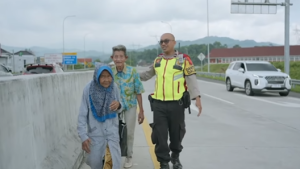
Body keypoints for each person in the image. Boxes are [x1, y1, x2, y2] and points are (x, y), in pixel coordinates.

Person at [139, 33, 203, 169]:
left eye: (166, 41)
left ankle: (175, 156)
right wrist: (129, 74)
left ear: (174, 42)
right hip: (159, 105)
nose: (163, 44)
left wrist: (196, 98)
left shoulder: (184, 60)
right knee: (160, 135)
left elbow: (191, 79)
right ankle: (163, 162)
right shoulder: (158, 61)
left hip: (177, 105)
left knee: (177, 133)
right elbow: (145, 75)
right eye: (161, 41)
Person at [77, 63, 123, 169]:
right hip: (95, 136)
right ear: (97, 76)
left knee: (113, 164)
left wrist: (119, 105)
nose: (106, 80)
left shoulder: (114, 87)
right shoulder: (88, 89)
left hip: (112, 135)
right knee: (96, 164)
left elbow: (120, 107)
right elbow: (82, 114)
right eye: (102, 76)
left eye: (108, 76)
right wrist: (83, 136)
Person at [109, 44, 145, 168]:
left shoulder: (132, 71)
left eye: (121, 56)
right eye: (116, 56)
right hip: (115, 107)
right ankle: (115, 155)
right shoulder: (110, 72)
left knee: (129, 132)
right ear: (112, 58)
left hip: (130, 105)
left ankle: (129, 156)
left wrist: (141, 111)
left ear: (125, 58)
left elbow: (138, 91)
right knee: (114, 132)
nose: (118, 59)